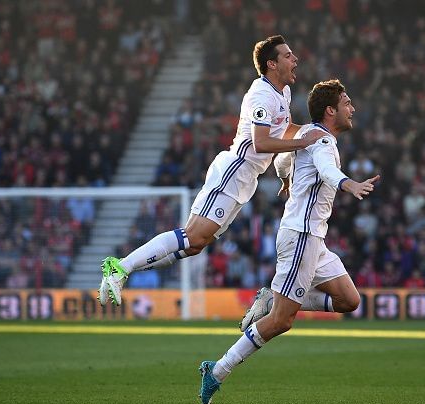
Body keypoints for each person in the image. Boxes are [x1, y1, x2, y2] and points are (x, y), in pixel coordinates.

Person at [98, 35, 325, 306]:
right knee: (192, 235)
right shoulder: (262, 95)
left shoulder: (282, 93)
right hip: (235, 170)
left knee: (196, 244)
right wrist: (302, 141)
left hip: (246, 178)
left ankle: (126, 269)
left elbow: (282, 128)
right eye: (288, 55)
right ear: (271, 64)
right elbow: (261, 142)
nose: (295, 59)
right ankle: (122, 267)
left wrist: (311, 134)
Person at [198, 79, 381, 404]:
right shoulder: (322, 141)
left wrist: (285, 178)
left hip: (314, 238)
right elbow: (326, 171)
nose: (352, 109)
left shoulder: (302, 135)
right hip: (301, 236)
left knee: (348, 300)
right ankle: (218, 370)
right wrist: (350, 184)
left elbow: (284, 159)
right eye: (347, 103)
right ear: (330, 111)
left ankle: (273, 299)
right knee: (282, 321)